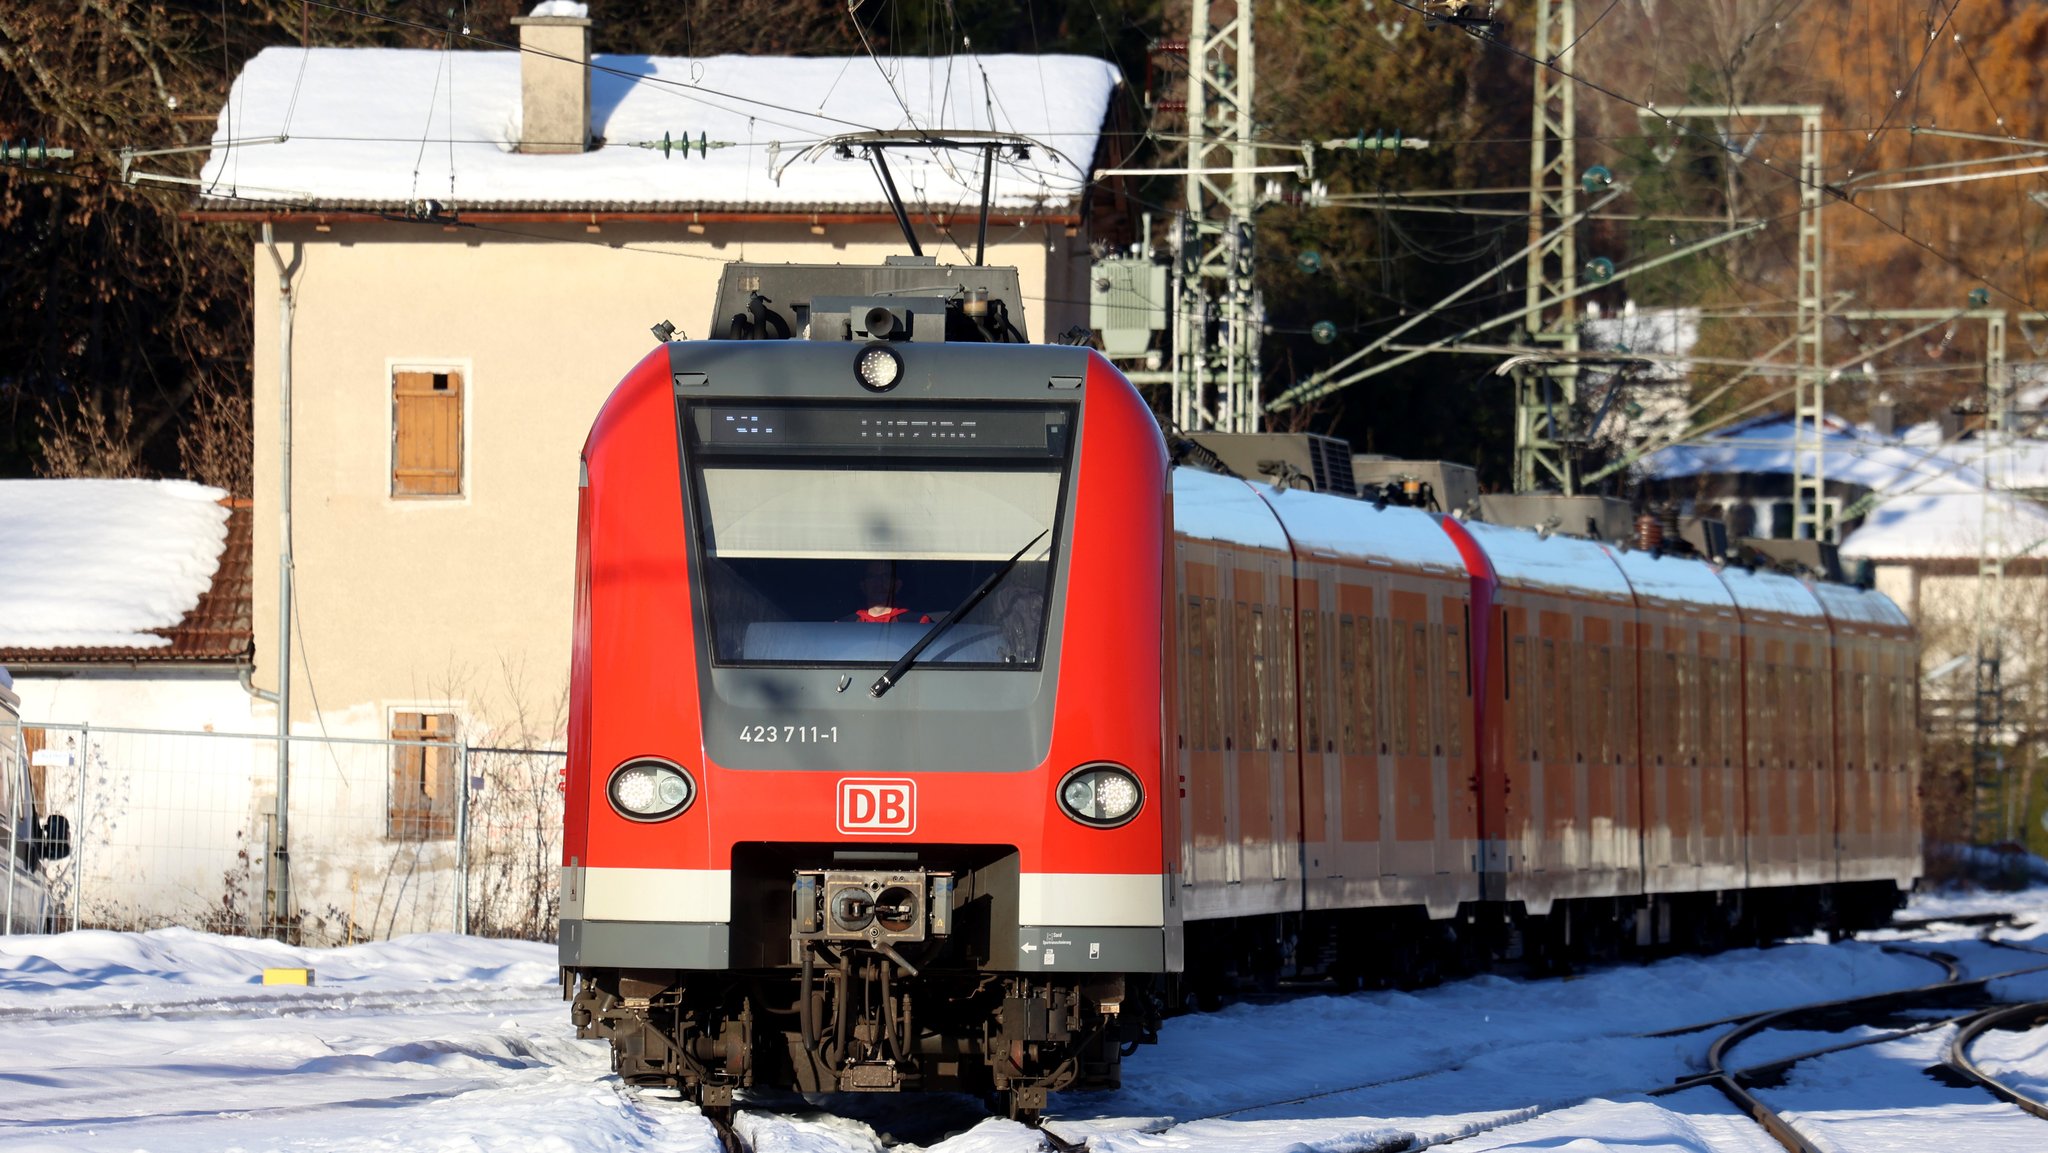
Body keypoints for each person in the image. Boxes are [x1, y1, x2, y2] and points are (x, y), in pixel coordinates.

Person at [848, 559, 931, 624]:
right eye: (872, 577)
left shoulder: (918, 623)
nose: (879, 583)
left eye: (886, 576)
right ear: (863, 586)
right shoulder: (844, 625)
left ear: (897, 585)